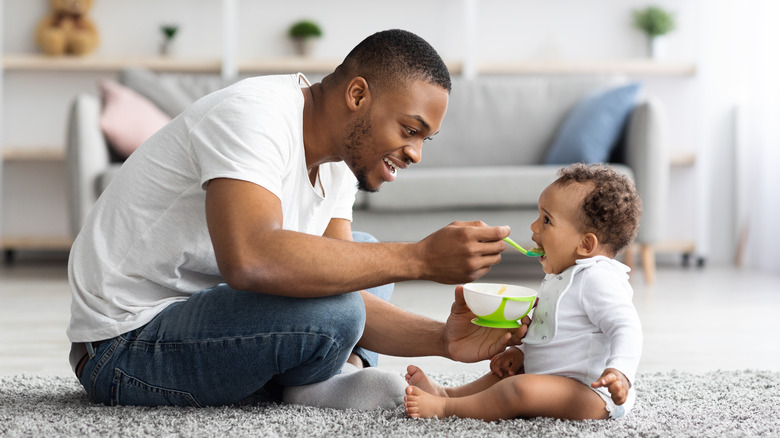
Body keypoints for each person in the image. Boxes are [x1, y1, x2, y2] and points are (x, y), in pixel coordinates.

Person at [66, 29, 524, 409]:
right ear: (358, 94)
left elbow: (345, 288)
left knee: (357, 257)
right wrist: (419, 258)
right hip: (123, 348)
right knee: (350, 288)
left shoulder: (340, 163)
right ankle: (325, 383)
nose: (416, 154)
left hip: (210, 319)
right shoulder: (253, 117)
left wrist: (444, 339)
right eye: (410, 130)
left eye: (427, 139)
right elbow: (249, 259)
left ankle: (327, 379)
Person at [404, 163, 644, 421]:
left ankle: (446, 409)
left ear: (585, 244)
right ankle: (449, 394)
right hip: (557, 382)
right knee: (506, 376)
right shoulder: (562, 276)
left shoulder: (598, 277)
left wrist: (619, 372)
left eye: (547, 220)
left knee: (517, 389)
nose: (533, 227)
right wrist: (522, 353)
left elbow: (626, 327)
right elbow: (555, 334)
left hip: (591, 394)